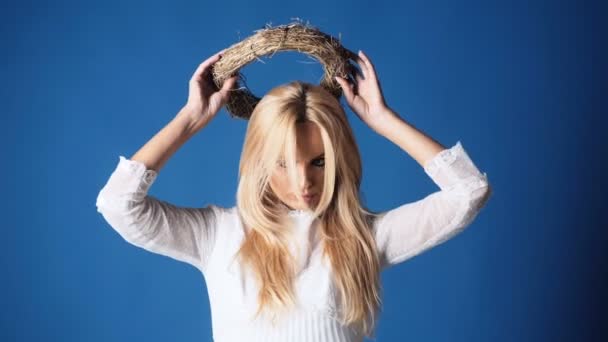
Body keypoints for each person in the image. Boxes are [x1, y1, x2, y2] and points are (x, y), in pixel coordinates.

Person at [96, 48, 492, 342]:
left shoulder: (363, 239)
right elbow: (117, 204)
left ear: (338, 161)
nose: (304, 182)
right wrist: (190, 119)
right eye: (284, 163)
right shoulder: (217, 234)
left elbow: (468, 192)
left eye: (319, 162)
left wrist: (384, 121)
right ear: (261, 163)